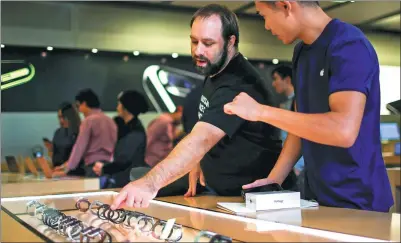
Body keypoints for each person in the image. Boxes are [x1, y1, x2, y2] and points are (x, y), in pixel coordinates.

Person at [111, 4, 296, 210]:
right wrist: (197, 161)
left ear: (230, 41)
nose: (198, 50)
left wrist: (149, 184)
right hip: (225, 196)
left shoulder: (240, 83)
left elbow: (202, 138)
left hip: (259, 201)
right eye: (194, 41)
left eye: (208, 43)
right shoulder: (215, 70)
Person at [223, 1, 393, 212]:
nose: (266, 25)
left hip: (359, 201)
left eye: (263, 15)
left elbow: (343, 130)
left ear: (286, 6)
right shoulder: (301, 52)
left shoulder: (349, 45)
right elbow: (300, 127)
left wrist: (261, 111)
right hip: (316, 198)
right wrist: (274, 181)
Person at [53, 89, 117, 178]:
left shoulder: (88, 121)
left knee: (93, 191)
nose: (79, 110)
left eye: (78, 106)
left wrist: (67, 168)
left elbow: (80, 147)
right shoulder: (110, 121)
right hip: (109, 166)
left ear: (84, 103)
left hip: (93, 168)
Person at [92, 90, 149, 188]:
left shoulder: (135, 132)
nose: (117, 107)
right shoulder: (127, 128)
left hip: (128, 181)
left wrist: (104, 168)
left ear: (125, 108)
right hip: (124, 178)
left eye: (119, 104)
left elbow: (124, 160)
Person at [271, 65, 304, 175]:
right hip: (289, 164)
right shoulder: (285, 104)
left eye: (276, 79)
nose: (273, 83)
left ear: (287, 79)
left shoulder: (301, 102)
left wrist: (297, 165)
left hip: (297, 165)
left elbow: (300, 134)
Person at [46, 102, 85, 176]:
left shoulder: (81, 132)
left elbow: (80, 159)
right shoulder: (58, 132)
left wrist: (64, 169)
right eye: (59, 117)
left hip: (77, 176)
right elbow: (56, 156)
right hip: (59, 175)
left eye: (64, 117)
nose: (61, 121)